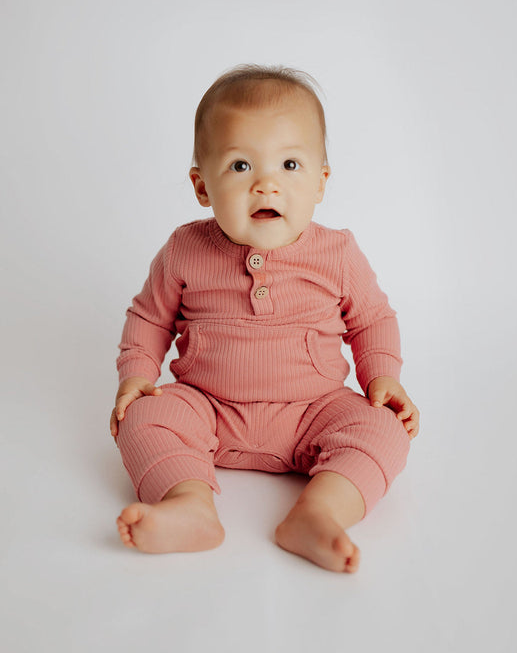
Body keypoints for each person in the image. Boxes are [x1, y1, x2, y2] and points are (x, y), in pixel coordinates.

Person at [110, 64, 419, 573]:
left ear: (321, 182)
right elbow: (148, 319)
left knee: (385, 428)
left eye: (290, 165)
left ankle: (318, 513)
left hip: (312, 411)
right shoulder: (185, 249)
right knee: (141, 416)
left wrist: (383, 378)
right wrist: (136, 378)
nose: (266, 186)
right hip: (208, 408)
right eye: (239, 166)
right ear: (202, 186)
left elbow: (372, 319)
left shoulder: (337, 253)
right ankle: (189, 503)